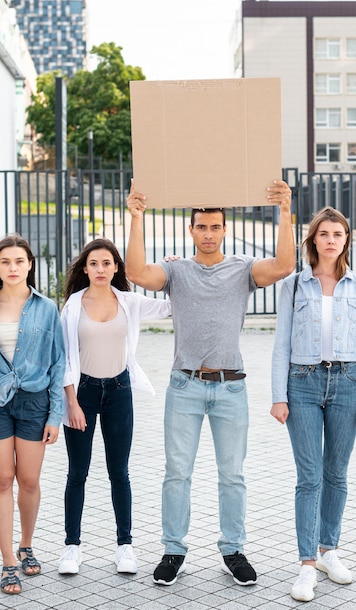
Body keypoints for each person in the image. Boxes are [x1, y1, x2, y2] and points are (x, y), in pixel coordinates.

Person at [125, 178, 295, 586]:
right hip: (184, 386)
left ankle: (233, 550)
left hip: (231, 387)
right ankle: (173, 550)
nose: (208, 233)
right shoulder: (176, 270)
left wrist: (286, 212)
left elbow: (284, 266)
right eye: (201, 226)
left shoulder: (241, 269)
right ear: (191, 230)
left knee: (232, 474)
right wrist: (135, 217)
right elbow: (134, 272)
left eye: (215, 226)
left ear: (225, 230)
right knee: (177, 473)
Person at [270, 207, 356, 602]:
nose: (331, 240)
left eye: (338, 234)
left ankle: (328, 550)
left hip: (349, 382)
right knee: (309, 476)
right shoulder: (295, 286)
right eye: (324, 233)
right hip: (301, 383)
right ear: (313, 240)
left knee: (336, 472)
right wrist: (278, 396)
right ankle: (305, 565)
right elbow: (281, 342)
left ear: (346, 240)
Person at [57, 238, 171, 576]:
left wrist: (171, 271)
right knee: (77, 473)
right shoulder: (74, 306)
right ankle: (71, 548)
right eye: (94, 264)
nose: (100, 269)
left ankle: (125, 547)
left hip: (119, 392)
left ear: (117, 267)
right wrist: (72, 403)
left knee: (119, 472)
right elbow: (63, 358)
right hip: (84, 394)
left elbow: (170, 306)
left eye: (107, 263)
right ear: (85, 268)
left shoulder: (130, 301)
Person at [0, 234, 65, 595]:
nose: (12, 268)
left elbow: (58, 364)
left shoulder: (46, 307)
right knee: (2, 479)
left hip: (34, 403)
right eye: (5, 261)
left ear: (30, 265)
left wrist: (55, 415)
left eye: (18, 261)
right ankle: (8, 559)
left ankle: (26, 544)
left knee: (28, 480)